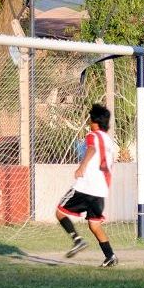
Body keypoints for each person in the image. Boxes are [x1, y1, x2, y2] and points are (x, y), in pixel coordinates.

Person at [56, 104, 118, 267]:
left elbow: (91, 149)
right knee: (94, 225)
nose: (89, 122)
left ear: (95, 121)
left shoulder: (92, 135)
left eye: (90, 119)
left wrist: (82, 166)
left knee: (60, 212)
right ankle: (110, 255)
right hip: (101, 190)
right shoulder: (109, 141)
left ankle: (77, 241)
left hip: (86, 186)